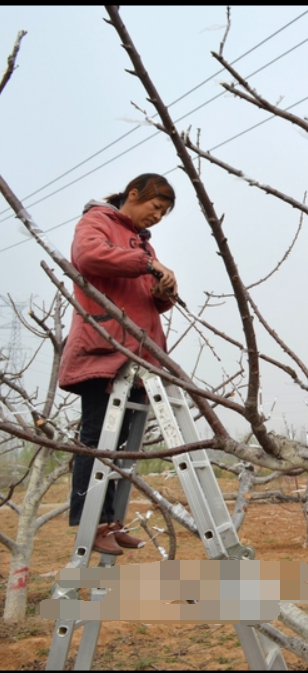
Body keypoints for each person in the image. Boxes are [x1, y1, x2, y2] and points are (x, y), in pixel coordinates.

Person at [59, 173, 179, 556]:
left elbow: (146, 293)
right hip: (105, 349)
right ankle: (89, 521)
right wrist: (146, 264)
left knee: (121, 445)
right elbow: (89, 257)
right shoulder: (97, 221)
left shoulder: (143, 242)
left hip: (139, 354)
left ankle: (110, 519)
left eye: (163, 213)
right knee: (96, 441)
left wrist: (163, 290)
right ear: (133, 195)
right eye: (155, 207)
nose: (157, 216)